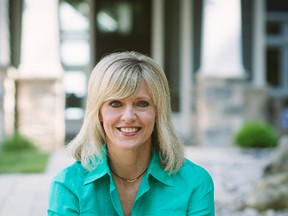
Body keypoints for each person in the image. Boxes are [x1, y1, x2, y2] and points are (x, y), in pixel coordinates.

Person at [48, 51, 215, 216]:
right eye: (115, 103)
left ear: (158, 112)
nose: (128, 117)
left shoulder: (195, 182)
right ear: (98, 112)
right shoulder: (67, 185)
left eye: (142, 104)